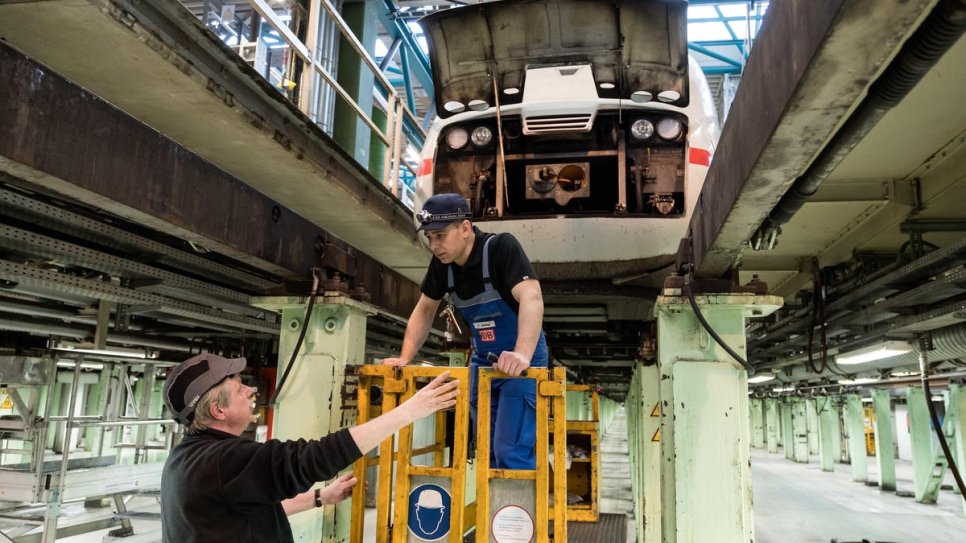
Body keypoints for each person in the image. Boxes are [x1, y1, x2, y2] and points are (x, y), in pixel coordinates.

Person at [160, 352, 458, 542]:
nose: (250, 390)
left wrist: (319, 497)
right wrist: (410, 411)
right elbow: (315, 457)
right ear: (217, 411)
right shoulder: (223, 461)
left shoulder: (186, 458)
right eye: (239, 389)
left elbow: (252, 507)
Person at [383, 193, 548, 469]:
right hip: (484, 362)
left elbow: (532, 297)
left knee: (510, 452)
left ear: (465, 228)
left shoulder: (500, 249)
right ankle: (491, 513)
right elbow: (424, 310)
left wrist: (522, 354)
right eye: (430, 238)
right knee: (486, 453)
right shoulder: (442, 267)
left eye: (440, 236)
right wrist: (405, 357)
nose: (434, 245)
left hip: (521, 362)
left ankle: (517, 512)